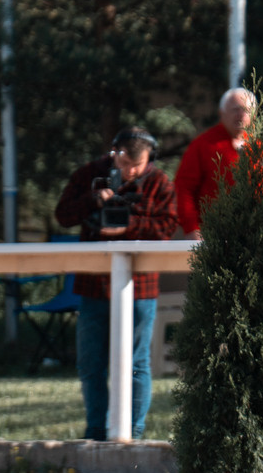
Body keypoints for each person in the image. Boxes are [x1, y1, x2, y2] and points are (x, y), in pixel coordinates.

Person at [54, 129, 179, 440]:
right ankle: (95, 432)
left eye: (138, 166)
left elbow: (166, 227)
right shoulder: (90, 174)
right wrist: (93, 200)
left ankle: (132, 435)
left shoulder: (159, 181)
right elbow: (63, 215)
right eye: (125, 164)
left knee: (137, 364)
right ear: (114, 153)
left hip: (141, 287)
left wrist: (128, 225)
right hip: (93, 284)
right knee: (90, 365)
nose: (131, 172)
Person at [174, 87, 258, 238]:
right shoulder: (203, 145)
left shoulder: (258, 148)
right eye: (235, 109)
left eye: (246, 110)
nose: (241, 115)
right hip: (210, 235)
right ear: (222, 113)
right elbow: (183, 189)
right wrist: (192, 228)